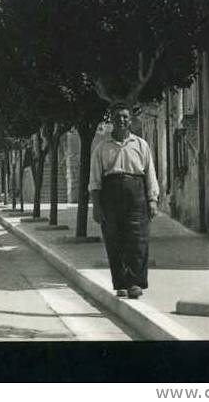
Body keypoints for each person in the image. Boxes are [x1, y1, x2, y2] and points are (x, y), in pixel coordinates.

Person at [89, 103, 159, 300]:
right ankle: (120, 283)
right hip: (110, 195)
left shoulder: (141, 145)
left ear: (130, 120)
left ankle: (135, 283)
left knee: (138, 239)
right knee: (114, 239)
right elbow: (95, 179)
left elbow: (150, 173)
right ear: (111, 119)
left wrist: (152, 199)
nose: (121, 120)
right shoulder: (102, 147)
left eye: (125, 117)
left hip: (136, 194)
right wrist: (96, 205)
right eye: (117, 116)